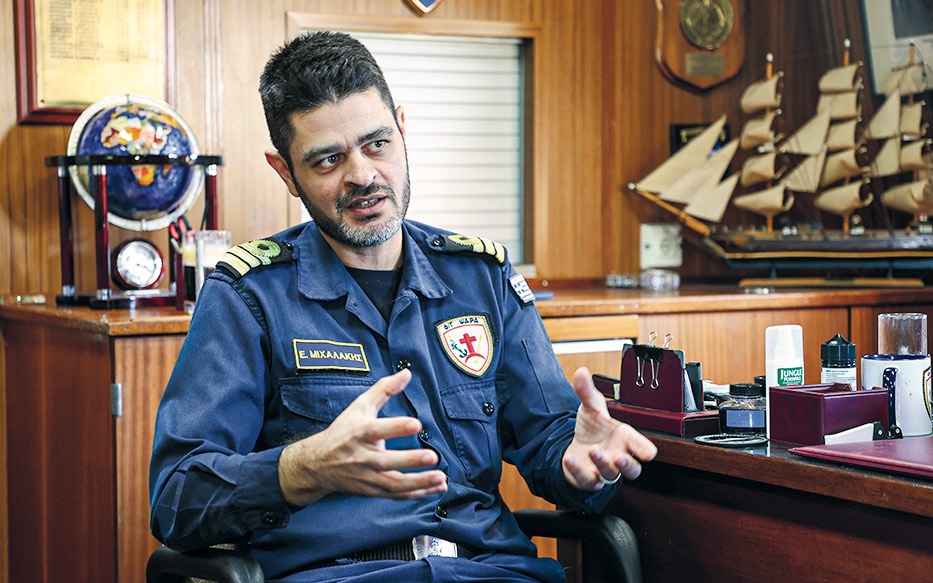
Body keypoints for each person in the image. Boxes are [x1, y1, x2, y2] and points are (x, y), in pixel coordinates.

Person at [149, 30, 657, 583]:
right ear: (285, 173)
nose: (363, 175)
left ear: (403, 131)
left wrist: (578, 463)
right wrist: (305, 468)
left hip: (491, 573)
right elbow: (178, 496)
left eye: (378, 144)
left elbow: (550, 438)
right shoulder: (248, 296)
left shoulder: (480, 278)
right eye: (327, 160)